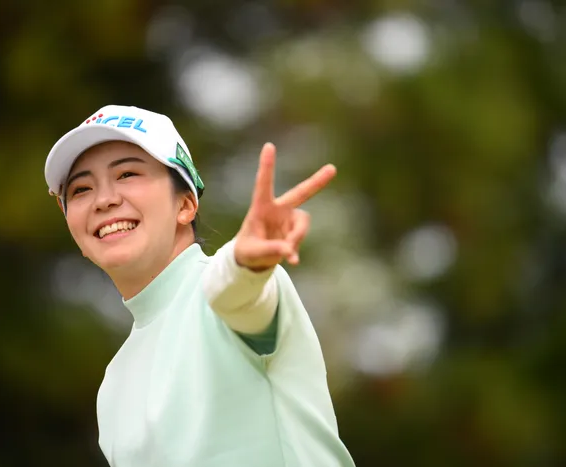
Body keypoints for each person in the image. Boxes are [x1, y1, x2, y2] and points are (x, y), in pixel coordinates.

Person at [43, 104, 356, 467]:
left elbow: (234, 294)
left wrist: (244, 263)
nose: (104, 200)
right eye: (81, 189)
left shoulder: (234, 287)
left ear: (186, 204)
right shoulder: (113, 386)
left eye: (127, 174)